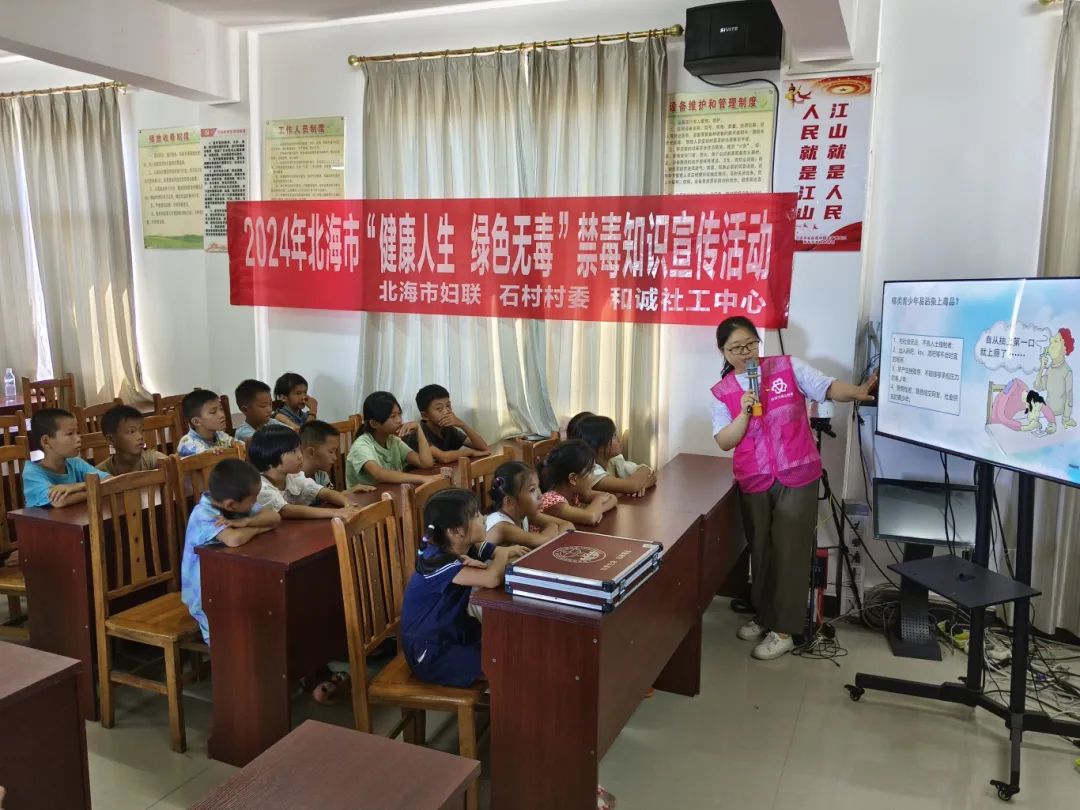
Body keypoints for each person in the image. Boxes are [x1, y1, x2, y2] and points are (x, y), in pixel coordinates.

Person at [711, 315, 876, 660]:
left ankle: (784, 630)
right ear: (723, 352)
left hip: (797, 473)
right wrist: (743, 413)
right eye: (735, 348)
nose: (745, 352)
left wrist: (857, 392)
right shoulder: (722, 392)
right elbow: (725, 441)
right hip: (754, 478)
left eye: (750, 344)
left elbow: (827, 386)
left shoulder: (787, 368)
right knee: (761, 551)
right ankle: (765, 615)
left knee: (789, 552)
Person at [399, 487, 527, 687]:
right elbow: (492, 578)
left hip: (454, 634)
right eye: (476, 515)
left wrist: (502, 555)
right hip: (431, 652)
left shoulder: (465, 546)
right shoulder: (438, 561)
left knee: (513, 648)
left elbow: (498, 555)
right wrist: (503, 554)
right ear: (455, 531)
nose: (484, 518)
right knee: (505, 663)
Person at [180, 458, 281, 643]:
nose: (256, 502)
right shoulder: (202, 514)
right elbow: (234, 539)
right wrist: (260, 528)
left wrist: (246, 521)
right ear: (231, 505)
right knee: (227, 637)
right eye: (253, 499)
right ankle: (224, 656)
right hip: (204, 593)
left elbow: (274, 517)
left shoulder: (237, 504)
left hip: (229, 582)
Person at [248, 426, 365, 519]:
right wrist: (336, 512)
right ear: (271, 457)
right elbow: (286, 510)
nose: (300, 456)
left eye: (299, 449)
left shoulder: (293, 477)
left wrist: (348, 504)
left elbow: (323, 491)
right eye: (293, 451)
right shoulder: (260, 488)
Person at [346, 391, 442, 487]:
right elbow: (379, 475)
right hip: (368, 496)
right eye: (393, 416)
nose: (399, 420)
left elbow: (426, 463)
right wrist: (422, 479)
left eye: (399, 414)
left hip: (390, 492)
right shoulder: (361, 445)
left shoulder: (393, 441)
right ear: (374, 423)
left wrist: (419, 429)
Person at [23, 408, 109, 508]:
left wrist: (77, 486)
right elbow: (59, 501)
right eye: (70, 434)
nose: (78, 439)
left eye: (77, 432)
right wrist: (93, 488)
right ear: (46, 441)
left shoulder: (76, 463)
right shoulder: (32, 473)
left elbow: (111, 481)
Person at [484, 460, 573, 548]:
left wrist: (552, 531)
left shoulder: (523, 513)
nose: (540, 495)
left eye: (538, 487)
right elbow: (546, 542)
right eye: (532, 490)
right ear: (509, 502)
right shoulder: (503, 525)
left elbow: (568, 525)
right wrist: (552, 525)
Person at [536, 440, 617, 526]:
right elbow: (590, 517)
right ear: (573, 479)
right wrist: (599, 501)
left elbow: (612, 498)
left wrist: (598, 511)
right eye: (590, 471)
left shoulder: (574, 493)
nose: (593, 477)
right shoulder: (553, 502)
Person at [405, 384, 490, 463]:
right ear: (425, 415)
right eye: (439, 408)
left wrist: (462, 425)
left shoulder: (447, 428)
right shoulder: (417, 432)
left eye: (448, 405)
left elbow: (483, 447)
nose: (447, 411)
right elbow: (444, 457)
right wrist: (470, 452)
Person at [575, 415, 656, 496]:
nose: (619, 439)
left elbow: (652, 476)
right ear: (600, 446)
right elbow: (633, 485)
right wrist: (638, 484)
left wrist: (642, 486)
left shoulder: (614, 460)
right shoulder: (590, 471)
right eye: (614, 436)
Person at [299, 419, 374, 492]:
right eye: (331, 452)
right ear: (311, 452)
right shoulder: (294, 479)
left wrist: (351, 491)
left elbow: (331, 496)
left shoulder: (321, 474)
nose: (335, 458)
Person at [98, 405, 167, 475]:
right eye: (132, 431)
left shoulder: (153, 460)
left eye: (142, 430)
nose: (140, 437)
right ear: (111, 439)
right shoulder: (100, 473)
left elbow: (169, 463)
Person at [1033, 327, 1075, 430]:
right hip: (1048, 414)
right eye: (1051, 342)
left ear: (1065, 349)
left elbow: (1069, 398)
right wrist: (1042, 368)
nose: (1051, 346)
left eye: (1056, 341)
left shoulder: (1067, 371)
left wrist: (1066, 419)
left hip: (1060, 416)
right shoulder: (1050, 369)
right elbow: (1038, 386)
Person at [176, 390, 236, 457]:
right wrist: (211, 453)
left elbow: (237, 444)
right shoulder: (187, 443)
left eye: (221, 409)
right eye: (213, 412)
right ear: (196, 421)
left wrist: (237, 443)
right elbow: (205, 457)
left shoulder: (219, 434)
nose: (222, 415)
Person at [234, 379, 279, 444]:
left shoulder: (271, 422)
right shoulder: (243, 432)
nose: (270, 410)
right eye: (263, 406)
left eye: (270, 404)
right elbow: (267, 444)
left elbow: (291, 433)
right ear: (245, 410)